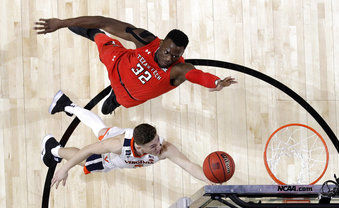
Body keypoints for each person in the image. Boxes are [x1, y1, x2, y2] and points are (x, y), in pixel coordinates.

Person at [34, 16, 237, 115]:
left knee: (109, 108)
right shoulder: (146, 39)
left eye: (176, 55)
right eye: (167, 51)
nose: (169, 58)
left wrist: (216, 81)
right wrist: (60, 23)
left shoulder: (178, 70)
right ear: (161, 42)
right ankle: (74, 27)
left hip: (128, 97)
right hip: (116, 63)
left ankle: (115, 98)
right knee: (97, 33)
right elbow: (104, 21)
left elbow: (197, 75)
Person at [41, 90, 214, 188]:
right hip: (113, 156)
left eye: (158, 141)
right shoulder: (116, 146)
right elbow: (88, 149)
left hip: (122, 144)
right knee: (86, 161)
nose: (159, 147)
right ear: (140, 147)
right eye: (153, 146)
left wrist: (209, 179)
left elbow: (188, 165)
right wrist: (65, 168)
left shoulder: (165, 148)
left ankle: (67, 104)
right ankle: (53, 148)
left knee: (99, 128)